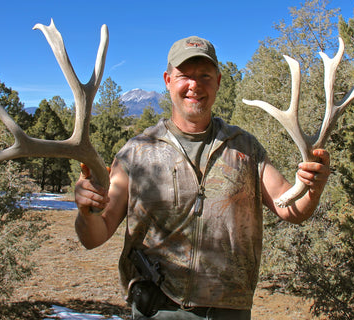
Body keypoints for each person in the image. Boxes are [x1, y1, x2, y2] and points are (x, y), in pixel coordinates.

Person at [74, 35, 330, 320]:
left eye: (205, 75)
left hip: (228, 310)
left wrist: (312, 187)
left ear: (219, 81)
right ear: (168, 80)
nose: (195, 85)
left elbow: (290, 208)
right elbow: (95, 235)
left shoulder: (245, 148)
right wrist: (87, 211)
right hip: (159, 310)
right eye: (185, 75)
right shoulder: (136, 153)